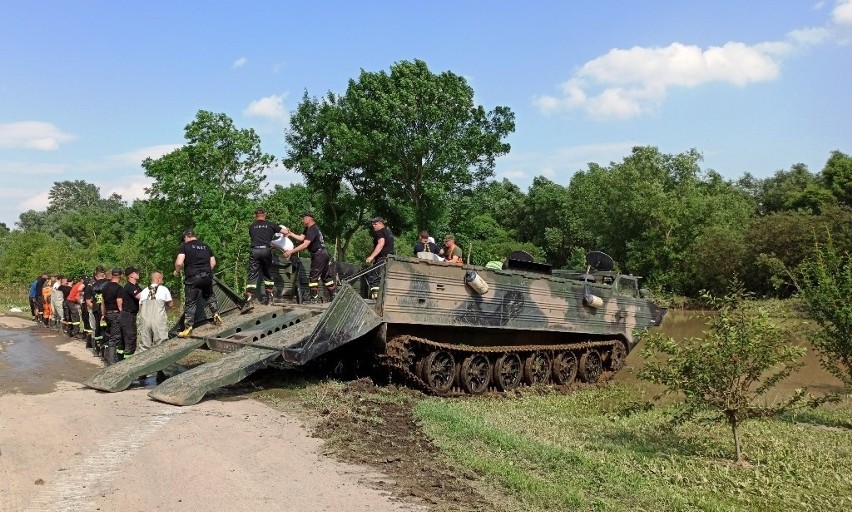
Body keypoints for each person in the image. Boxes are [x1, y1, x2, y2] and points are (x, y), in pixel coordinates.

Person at [174, 229, 222, 337]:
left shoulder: (185, 247)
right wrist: (205, 271)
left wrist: (177, 271)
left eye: (184, 239)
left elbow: (179, 262)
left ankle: (188, 328)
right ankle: (216, 314)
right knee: (209, 295)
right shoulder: (205, 246)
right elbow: (213, 263)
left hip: (193, 277)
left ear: (186, 237)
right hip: (207, 275)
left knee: (190, 302)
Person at [283, 211, 334, 301]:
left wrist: (291, 251)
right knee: (326, 277)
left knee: (313, 277)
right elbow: (301, 238)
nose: (302, 220)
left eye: (304, 218)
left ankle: (314, 299)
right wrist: (290, 234)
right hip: (323, 253)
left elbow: (305, 244)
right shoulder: (308, 228)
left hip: (319, 254)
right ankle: (333, 296)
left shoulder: (312, 229)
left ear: (309, 218)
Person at [245, 207, 288, 304]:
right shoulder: (271, 225)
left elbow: (256, 238)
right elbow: (285, 232)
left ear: (255, 216)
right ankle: (270, 297)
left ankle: (248, 300)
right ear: (265, 214)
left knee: (252, 274)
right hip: (266, 251)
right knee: (267, 273)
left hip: (255, 251)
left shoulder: (251, 226)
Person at [138, 270, 173, 352]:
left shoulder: (144, 291)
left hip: (145, 321)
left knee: (144, 346)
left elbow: (141, 306)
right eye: (162, 279)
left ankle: (143, 363)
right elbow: (171, 304)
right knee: (161, 344)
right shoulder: (164, 289)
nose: (162, 281)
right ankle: (161, 362)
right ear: (158, 279)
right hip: (158, 320)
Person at [365, 216, 395, 299]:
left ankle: (375, 300)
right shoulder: (389, 232)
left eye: (375, 224)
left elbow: (381, 243)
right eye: (372, 224)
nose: (373, 225)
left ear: (381, 223)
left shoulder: (379, 232)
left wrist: (371, 257)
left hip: (381, 259)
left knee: (374, 279)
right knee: (385, 279)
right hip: (390, 259)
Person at [100, 268, 124, 364]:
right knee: (115, 337)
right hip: (115, 314)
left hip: (107, 314)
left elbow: (102, 303)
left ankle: (107, 357)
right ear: (120, 276)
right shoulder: (119, 288)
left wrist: (103, 314)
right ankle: (111, 361)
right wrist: (123, 314)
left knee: (109, 335)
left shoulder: (104, 287)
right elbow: (119, 304)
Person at [118, 267, 142, 358]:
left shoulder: (136, 286)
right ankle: (128, 365)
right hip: (127, 316)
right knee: (130, 340)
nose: (138, 273)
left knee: (124, 341)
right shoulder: (129, 287)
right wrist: (154, 288)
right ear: (131, 275)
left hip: (128, 316)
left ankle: (119, 362)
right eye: (136, 272)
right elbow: (141, 296)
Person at [85, 267, 107, 350]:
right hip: (105, 309)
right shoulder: (107, 284)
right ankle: (104, 348)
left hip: (95, 310)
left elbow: (88, 301)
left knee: (96, 329)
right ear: (104, 275)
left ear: (96, 276)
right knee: (104, 329)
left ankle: (97, 349)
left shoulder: (91, 286)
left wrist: (95, 307)